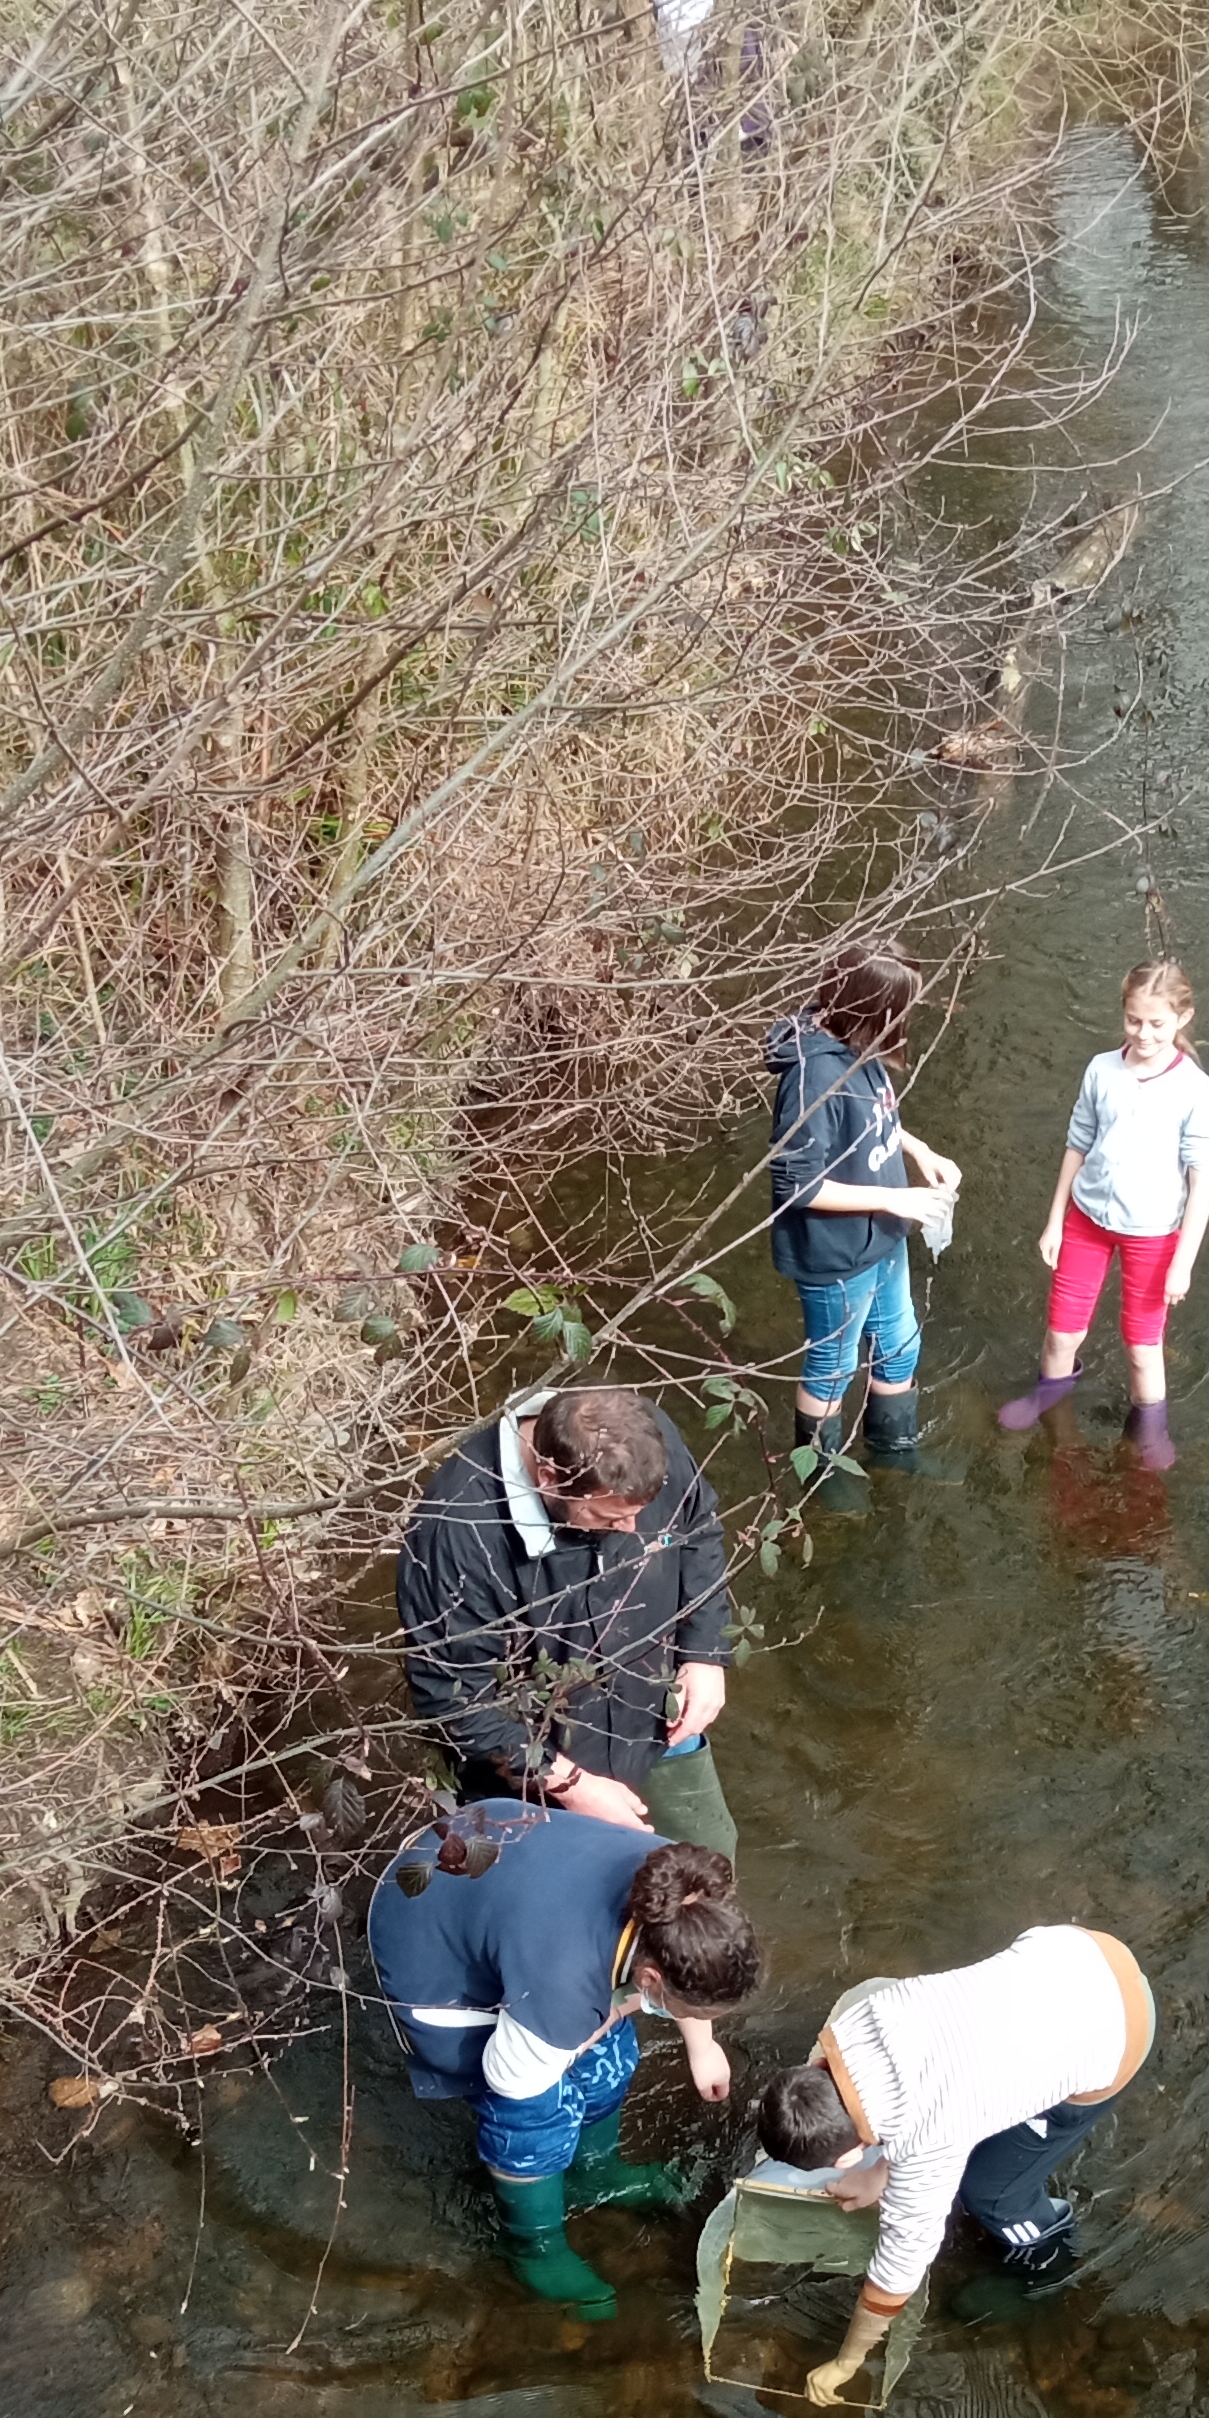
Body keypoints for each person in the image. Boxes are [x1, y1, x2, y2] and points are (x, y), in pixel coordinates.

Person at [366, 1802, 766, 2316]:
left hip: (497, 1861)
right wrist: (593, 2025)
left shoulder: (683, 1889)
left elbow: (662, 1984)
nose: (688, 2019)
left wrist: (702, 2045)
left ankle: (598, 2173)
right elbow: (511, 2081)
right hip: (424, 1929)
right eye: (686, 2012)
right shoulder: (563, 1983)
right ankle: (533, 2247)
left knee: (609, 2058)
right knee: (537, 2114)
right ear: (650, 1979)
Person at [752, 1923, 1155, 2403]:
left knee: (989, 2193)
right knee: (971, 2100)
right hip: (1074, 1951)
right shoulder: (855, 2021)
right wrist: (880, 2173)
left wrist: (847, 2361)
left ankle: (1048, 2257)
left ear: (849, 2156)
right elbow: (909, 2100)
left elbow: (894, 2278)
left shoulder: (929, 2147)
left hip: (1117, 2031)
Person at [398, 1384, 737, 1857]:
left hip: (658, 1723)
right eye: (607, 1517)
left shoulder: (642, 1441)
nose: (632, 1530)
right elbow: (456, 1701)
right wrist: (573, 1785)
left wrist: (705, 1652)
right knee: (576, 1894)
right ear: (550, 1478)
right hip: (538, 1776)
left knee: (708, 1868)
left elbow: (697, 1528)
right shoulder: (456, 1532)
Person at [999, 960, 1209, 1471]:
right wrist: (1055, 1220)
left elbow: (1202, 1183)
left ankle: (1151, 1426)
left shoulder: (1194, 1090)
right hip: (1086, 1222)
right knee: (1062, 1333)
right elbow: (1077, 1144)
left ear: (1183, 1018)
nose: (1143, 1034)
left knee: (1142, 1346)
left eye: (1157, 1024)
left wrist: (1183, 1263)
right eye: (1133, 1020)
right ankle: (1050, 1398)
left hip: (1153, 1235)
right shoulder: (1102, 1069)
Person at [768, 941, 961, 1493]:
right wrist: (893, 1200)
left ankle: (894, 1453)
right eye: (902, 1010)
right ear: (871, 1010)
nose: (906, 1022)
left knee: (899, 1347)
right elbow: (797, 1185)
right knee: (833, 1365)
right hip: (835, 1253)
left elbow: (874, 1120)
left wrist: (919, 1150)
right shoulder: (812, 1078)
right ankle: (821, 1476)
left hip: (884, 1237)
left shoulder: (860, 1046)